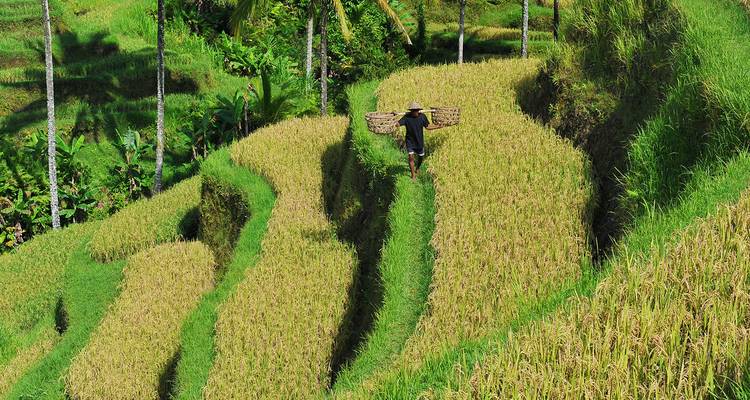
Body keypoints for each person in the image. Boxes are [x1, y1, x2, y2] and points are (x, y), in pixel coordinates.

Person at [399, 101, 442, 180]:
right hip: (410, 141)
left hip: (419, 141)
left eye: (416, 110)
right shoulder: (406, 117)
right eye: (413, 110)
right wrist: (393, 115)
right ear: (411, 111)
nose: (415, 112)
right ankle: (413, 175)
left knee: (421, 157)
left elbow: (428, 127)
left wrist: (438, 127)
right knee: (411, 158)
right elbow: (398, 124)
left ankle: (417, 168)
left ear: (419, 110)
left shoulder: (422, 117)